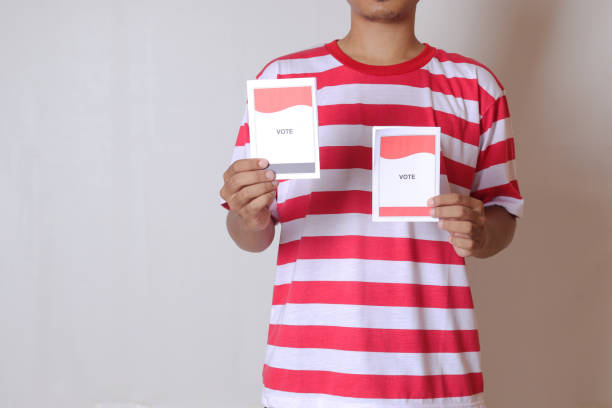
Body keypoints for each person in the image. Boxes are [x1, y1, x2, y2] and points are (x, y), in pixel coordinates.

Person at [218, 0, 523, 406]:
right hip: (307, 381)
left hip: (436, 382)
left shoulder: (476, 87)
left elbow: (503, 213)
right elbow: (250, 234)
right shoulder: (283, 81)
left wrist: (482, 232)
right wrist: (249, 216)